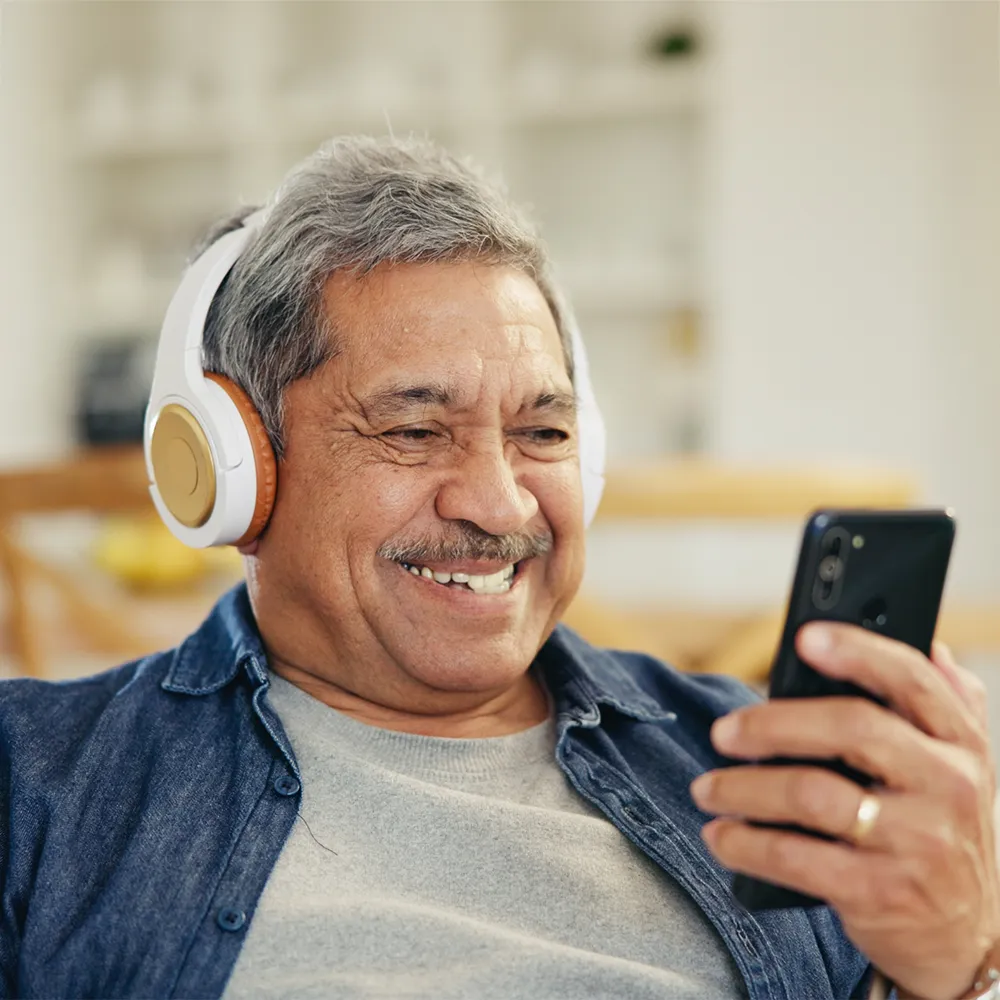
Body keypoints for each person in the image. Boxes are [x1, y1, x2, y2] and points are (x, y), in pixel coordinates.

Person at [1, 135, 997, 1000]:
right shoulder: (35, 783)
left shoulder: (767, 774)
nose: (500, 501)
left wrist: (954, 970)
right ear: (238, 468)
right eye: (413, 427)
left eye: (543, 429)